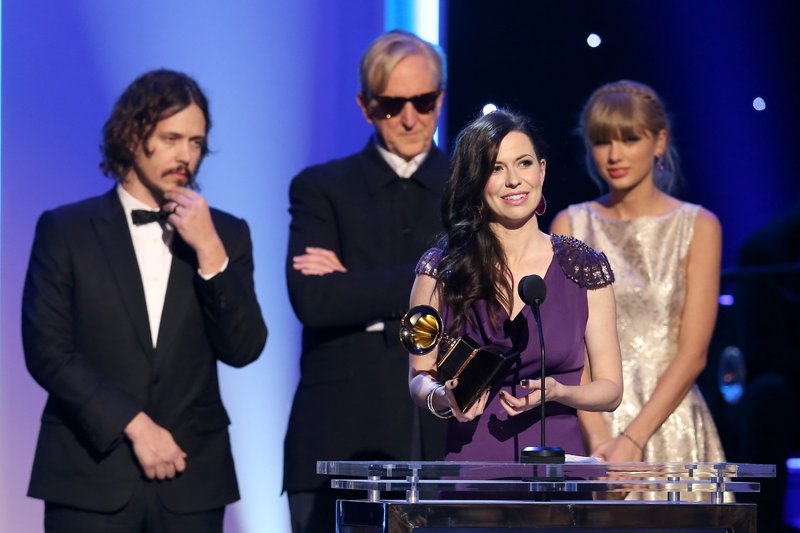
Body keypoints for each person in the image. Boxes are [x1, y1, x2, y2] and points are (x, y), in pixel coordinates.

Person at [21, 69, 268, 532]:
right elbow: (47, 350)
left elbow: (245, 348)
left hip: (192, 483)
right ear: (132, 135)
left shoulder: (226, 234)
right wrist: (134, 424)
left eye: (196, 142)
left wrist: (210, 252)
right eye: (172, 138)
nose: (186, 156)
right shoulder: (66, 231)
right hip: (90, 476)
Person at [283, 30, 449, 532]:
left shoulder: (470, 186)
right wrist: (435, 278)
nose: (409, 117)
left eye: (423, 101)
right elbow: (315, 301)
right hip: (339, 424)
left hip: (442, 423)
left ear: (440, 98)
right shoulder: (321, 187)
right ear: (365, 105)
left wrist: (357, 284)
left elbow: (483, 289)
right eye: (392, 104)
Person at [408, 109, 623, 461]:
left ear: (542, 170)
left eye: (523, 164)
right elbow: (419, 377)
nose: (513, 181)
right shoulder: (441, 269)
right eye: (495, 168)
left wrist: (558, 391)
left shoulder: (584, 268)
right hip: (472, 470)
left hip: (555, 472)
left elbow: (611, 390)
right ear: (476, 181)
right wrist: (442, 398)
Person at [550, 80, 726, 476]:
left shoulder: (697, 226)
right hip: (592, 426)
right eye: (601, 141)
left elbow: (693, 352)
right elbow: (568, 348)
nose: (614, 155)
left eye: (629, 139)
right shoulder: (571, 224)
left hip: (670, 426)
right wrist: (599, 441)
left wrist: (632, 439)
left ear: (659, 141)